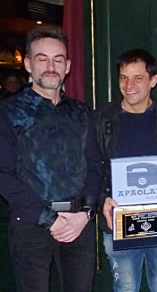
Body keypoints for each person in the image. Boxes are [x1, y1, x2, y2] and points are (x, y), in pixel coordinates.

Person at [0, 26, 103, 291]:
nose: (50, 66)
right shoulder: (7, 112)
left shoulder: (81, 112)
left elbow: (95, 166)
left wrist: (86, 213)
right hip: (31, 225)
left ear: (67, 66)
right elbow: (4, 175)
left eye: (58, 59)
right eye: (42, 58)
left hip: (79, 223)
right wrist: (50, 219)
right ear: (28, 64)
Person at [95, 49, 157, 292]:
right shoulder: (101, 118)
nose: (129, 85)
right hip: (119, 221)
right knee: (125, 287)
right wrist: (100, 199)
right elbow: (91, 169)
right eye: (123, 77)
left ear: (153, 80)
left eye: (137, 77)